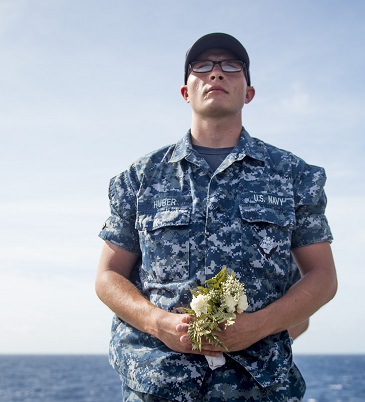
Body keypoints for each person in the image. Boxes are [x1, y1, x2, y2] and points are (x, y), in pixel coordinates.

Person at [95, 32, 337, 401]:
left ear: (249, 93)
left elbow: (322, 277)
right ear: (185, 91)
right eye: (202, 66)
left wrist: (257, 326)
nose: (217, 74)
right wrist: (158, 323)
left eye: (231, 66)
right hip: (158, 384)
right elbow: (108, 276)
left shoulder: (294, 175)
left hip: (259, 386)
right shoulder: (139, 178)